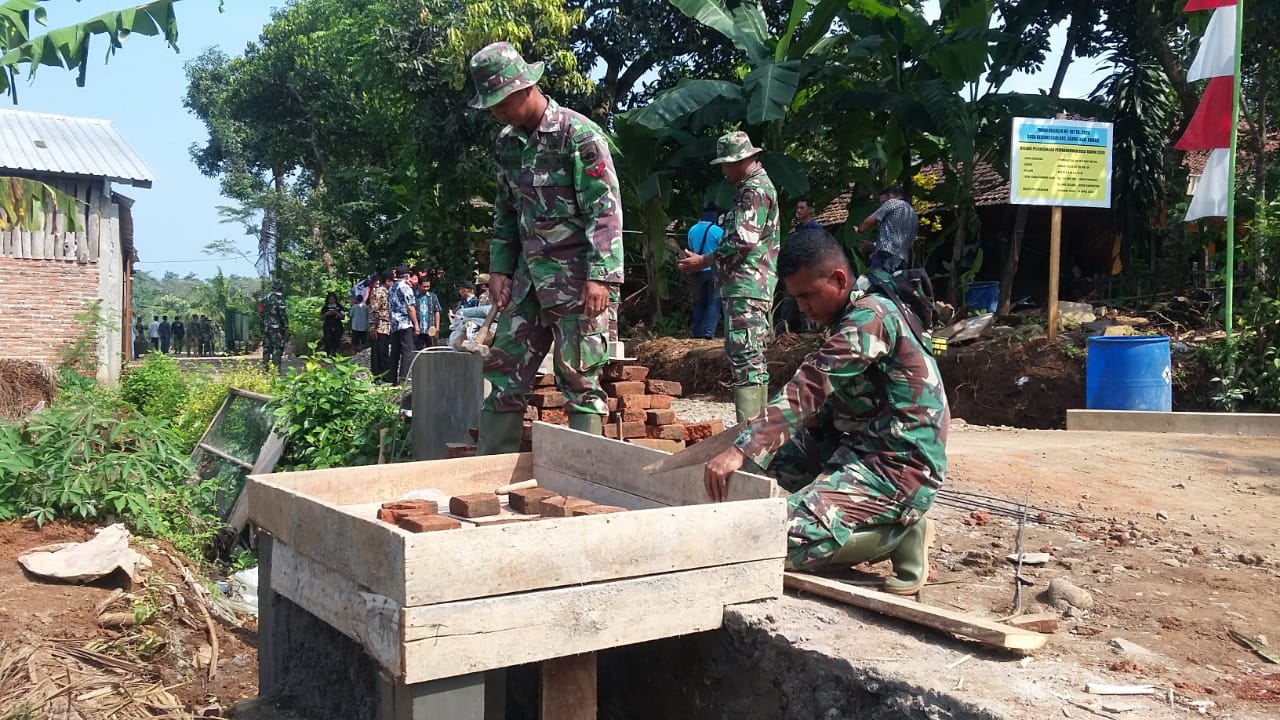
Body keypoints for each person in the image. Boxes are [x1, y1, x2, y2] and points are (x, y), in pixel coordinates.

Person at [702, 229, 949, 594]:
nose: (801, 307)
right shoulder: (850, 314)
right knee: (758, 467)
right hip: (858, 445)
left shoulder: (871, 317)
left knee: (769, 544)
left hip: (899, 464)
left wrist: (740, 448)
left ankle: (901, 534)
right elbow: (828, 399)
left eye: (806, 295)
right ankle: (836, 508)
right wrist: (757, 442)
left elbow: (812, 385)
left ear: (838, 279)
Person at [468, 41, 624, 451]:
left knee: (579, 377)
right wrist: (499, 270)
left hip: (577, 283)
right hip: (527, 283)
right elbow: (505, 212)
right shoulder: (506, 143)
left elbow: (604, 211)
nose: (498, 112)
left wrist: (601, 278)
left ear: (524, 89)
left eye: (501, 102)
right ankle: (488, 472)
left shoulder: (579, 135)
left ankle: (584, 478)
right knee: (503, 369)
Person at [677, 130, 779, 423]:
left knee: (745, 355)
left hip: (746, 285)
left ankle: (749, 436)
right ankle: (756, 431)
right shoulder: (756, 188)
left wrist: (703, 261)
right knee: (751, 357)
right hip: (749, 284)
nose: (723, 170)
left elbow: (742, 242)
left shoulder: (753, 191)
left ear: (743, 160)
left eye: (726, 163)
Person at [856, 186, 918, 273]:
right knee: (892, 284)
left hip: (887, 254)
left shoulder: (892, 203)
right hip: (902, 259)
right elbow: (899, 238)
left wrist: (860, 230)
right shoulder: (913, 214)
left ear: (891, 195)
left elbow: (871, 220)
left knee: (878, 280)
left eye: (882, 202)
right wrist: (874, 246)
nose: (881, 205)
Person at [685, 205, 724, 339]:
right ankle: (708, 333)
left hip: (697, 271)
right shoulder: (718, 231)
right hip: (714, 270)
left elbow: (690, 249)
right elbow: (724, 251)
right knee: (714, 302)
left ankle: (697, 332)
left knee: (700, 303)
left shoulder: (692, 230)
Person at [388, 265, 420, 384]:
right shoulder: (405, 287)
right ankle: (403, 379)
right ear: (406, 275)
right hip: (405, 323)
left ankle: (391, 378)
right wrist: (416, 324)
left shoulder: (391, 288)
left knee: (395, 352)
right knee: (407, 351)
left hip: (395, 324)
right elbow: (410, 307)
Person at [369, 271, 392, 383]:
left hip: (387, 325)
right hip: (380, 326)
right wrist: (372, 326)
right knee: (378, 353)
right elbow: (373, 310)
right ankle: (377, 376)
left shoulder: (388, 292)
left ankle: (385, 375)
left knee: (384, 352)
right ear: (387, 281)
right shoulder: (379, 292)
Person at [261, 281, 288, 373]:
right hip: (276, 327)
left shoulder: (265, 298)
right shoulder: (278, 297)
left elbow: (261, 311)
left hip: (266, 326)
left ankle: (265, 369)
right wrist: (285, 325)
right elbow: (282, 313)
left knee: (267, 348)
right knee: (277, 347)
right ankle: (275, 370)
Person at [415, 276, 442, 350]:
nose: (426, 289)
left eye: (428, 286)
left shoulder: (433, 297)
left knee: (432, 351)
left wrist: (437, 328)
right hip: (418, 330)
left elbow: (436, 312)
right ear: (419, 285)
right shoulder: (413, 297)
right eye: (424, 287)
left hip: (430, 330)